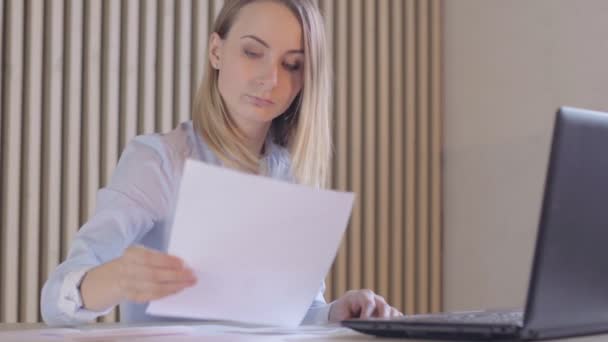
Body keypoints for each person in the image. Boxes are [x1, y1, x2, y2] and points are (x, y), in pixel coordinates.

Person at [41, 0, 402, 326]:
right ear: (216, 51)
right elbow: (56, 300)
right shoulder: (160, 161)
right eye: (252, 52)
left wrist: (335, 313)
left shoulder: (291, 175)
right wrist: (118, 278)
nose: (271, 79)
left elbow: (296, 313)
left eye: (292, 64)